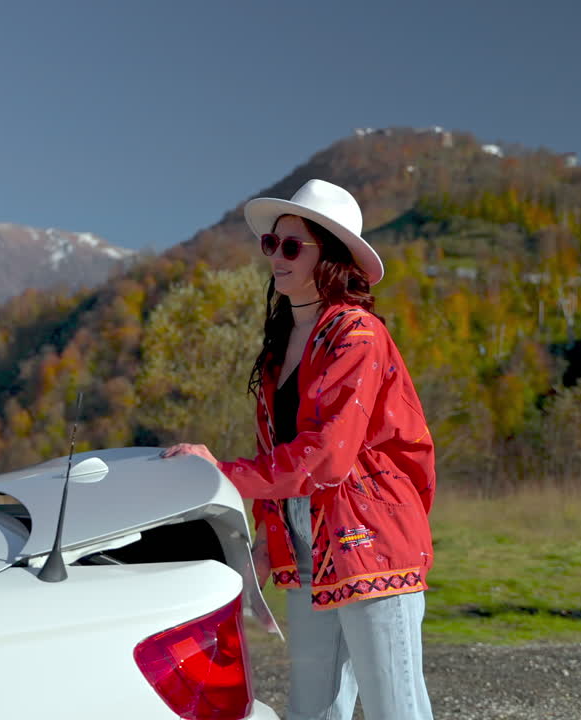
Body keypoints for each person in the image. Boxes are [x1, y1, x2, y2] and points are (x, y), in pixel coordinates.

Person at [161, 179, 436, 720]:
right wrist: (266, 536)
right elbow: (278, 450)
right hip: (307, 548)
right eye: (271, 244)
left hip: (371, 542)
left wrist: (220, 474)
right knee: (313, 709)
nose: (276, 257)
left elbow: (325, 456)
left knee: (394, 708)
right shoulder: (280, 347)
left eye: (291, 246)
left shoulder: (359, 335)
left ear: (329, 255)